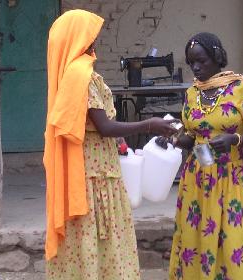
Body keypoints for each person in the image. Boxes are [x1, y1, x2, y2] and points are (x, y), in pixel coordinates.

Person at [43, 9, 178, 280]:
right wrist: (148, 125)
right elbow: (104, 127)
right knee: (99, 237)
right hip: (95, 175)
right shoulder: (81, 75)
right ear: (78, 38)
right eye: (90, 35)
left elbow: (89, 126)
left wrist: (120, 143)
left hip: (97, 167)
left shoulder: (73, 74)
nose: (94, 40)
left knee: (88, 240)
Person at [156, 32, 243, 279]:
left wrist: (234, 139)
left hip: (231, 180)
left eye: (201, 61)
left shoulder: (242, 89)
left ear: (217, 57)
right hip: (196, 180)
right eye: (191, 62)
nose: (195, 67)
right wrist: (174, 139)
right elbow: (193, 139)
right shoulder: (192, 94)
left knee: (232, 243)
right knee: (195, 241)